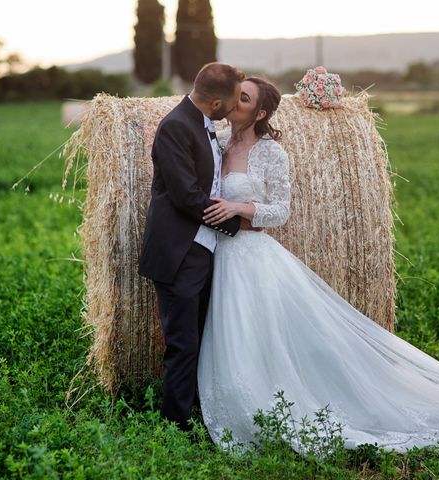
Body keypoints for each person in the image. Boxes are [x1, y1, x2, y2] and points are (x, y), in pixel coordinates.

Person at [196, 76, 439, 454]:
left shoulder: (271, 153)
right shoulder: (220, 142)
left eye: (243, 98)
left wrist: (239, 206)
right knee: (240, 336)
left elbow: (280, 211)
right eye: (235, 95)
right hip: (226, 257)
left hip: (255, 260)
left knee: (263, 335)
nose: (234, 101)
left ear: (261, 113)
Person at [138, 62, 262, 431]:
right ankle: (176, 425)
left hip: (203, 250)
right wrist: (237, 224)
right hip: (178, 253)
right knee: (183, 344)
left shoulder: (205, 125)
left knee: (201, 338)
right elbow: (187, 196)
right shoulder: (176, 126)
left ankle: (197, 409)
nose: (234, 106)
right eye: (232, 100)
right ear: (214, 101)